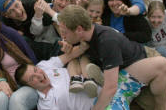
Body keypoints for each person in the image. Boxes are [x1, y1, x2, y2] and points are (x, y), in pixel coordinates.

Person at [56, 5, 166, 110]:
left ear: (78, 29)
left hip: (145, 61)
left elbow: (110, 87)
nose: (62, 35)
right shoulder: (87, 37)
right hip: (133, 75)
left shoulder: (106, 41)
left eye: (64, 32)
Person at [15, 43, 145, 110]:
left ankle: (92, 80)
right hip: (103, 105)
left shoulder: (44, 66)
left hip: (113, 84)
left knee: (158, 65)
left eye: (36, 70)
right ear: (30, 86)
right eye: (33, 78)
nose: (39, 74)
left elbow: (69, 56)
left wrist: (84, 44)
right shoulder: (45, 105)